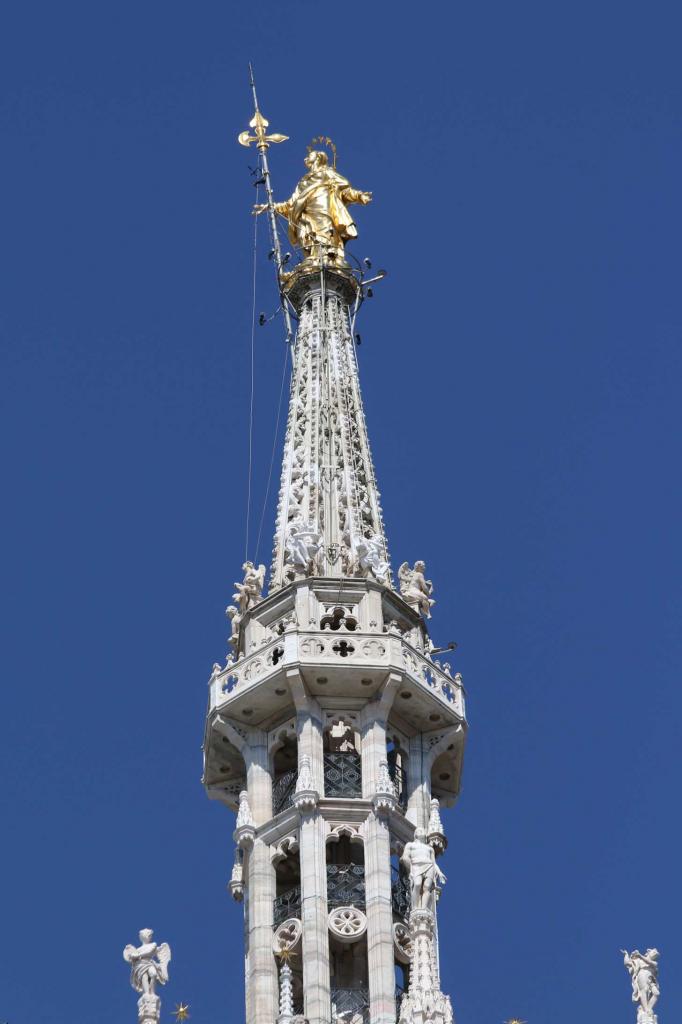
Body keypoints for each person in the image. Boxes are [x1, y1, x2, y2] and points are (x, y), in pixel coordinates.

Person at [256, 150, 371, 263]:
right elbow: (291, 204)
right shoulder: (303, 182)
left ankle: (329, 257)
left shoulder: (327, 173)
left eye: (309, 156)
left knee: (326, 231)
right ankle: (314, 258)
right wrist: (272, 206)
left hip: (323, 206)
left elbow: (345, 190)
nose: (305, 158)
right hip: (304, 211)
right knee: (306, 234)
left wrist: (359, 196)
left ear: (318, 158)